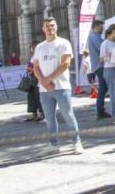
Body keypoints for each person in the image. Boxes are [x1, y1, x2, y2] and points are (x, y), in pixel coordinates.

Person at [32, 17, 84, 154]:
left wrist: (48, 79)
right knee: (49, 118)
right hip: (44, 89)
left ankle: (76, 142)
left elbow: (65, 64)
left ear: (56, 26)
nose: (50, 28)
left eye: (52, 25)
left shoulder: (63, 43)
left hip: (61, 86)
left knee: (68, 114)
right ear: (43, 29)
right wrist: (43, 81)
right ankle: (53, 144)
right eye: (47, 26)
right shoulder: (39, 47)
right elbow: (35, 66)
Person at [85, 19, 111, 120]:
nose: (102, 29)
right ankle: (100, 111)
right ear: (96, 27)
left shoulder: (95, 36)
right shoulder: (94, 37)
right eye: (101, 27)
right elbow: (102, 49)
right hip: (100, 66)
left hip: (99, 65)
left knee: (103, 88)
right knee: (103, 88)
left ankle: (100, 110)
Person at [100, 23, 115, 121]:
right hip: (110, 69)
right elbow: (101, 58)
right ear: (113, 31)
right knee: (114, 92)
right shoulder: (105, 43)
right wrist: (110, 57)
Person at [24, 45, 44, 121]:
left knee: (39, 96)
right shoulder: (33, 56)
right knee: (32, 96)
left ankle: (42, 113)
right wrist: (29, 69)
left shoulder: (40, 56)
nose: (31, 49)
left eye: (32, 48)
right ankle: (34, 113)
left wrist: (32, 69)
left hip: (37, 78)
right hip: (32, 78)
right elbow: (30, 66)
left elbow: (39, 67)